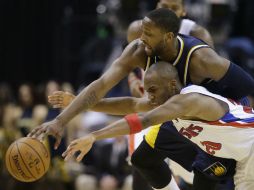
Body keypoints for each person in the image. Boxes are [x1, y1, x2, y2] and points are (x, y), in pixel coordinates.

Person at [28, 8, 254, 190]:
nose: (140, 39)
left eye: (148, 34)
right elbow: (119, 97)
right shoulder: (140, 52)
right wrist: (63, 118)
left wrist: (93, 136)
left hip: (222, 120)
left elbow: (247, 86)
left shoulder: (202, 59)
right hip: (185, 117)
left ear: (167, 37)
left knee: (206, 177)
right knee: (142, 158)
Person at [62, 61, 254, 190]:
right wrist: (80, 104)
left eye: (153, 90)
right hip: (243, 158)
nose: (150, 96)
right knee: (142, 158)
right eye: (147, 91)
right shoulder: (167, 102)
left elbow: (142, 120)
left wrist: (94, 136)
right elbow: (131, 105)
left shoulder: (189, 100)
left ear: (172, 85)